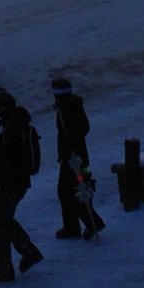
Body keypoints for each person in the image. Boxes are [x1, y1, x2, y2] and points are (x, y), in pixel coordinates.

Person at [0, 84, 43, 281]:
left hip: (10, 184)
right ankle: (15, 259)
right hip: (17, 183)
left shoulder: (11, 131)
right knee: (1, 222)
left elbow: (10, 161)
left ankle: (9, 265)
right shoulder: (18, 126)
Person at [52, 75, 105, 238]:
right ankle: (72, 226)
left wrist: (67, 152)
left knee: (71, 191)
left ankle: (91, 223)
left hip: (73, 159)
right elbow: (84, 128)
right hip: (79, 157)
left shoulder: (65, 110)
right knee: (72, 190)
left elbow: (69, 135)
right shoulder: (75, 105)